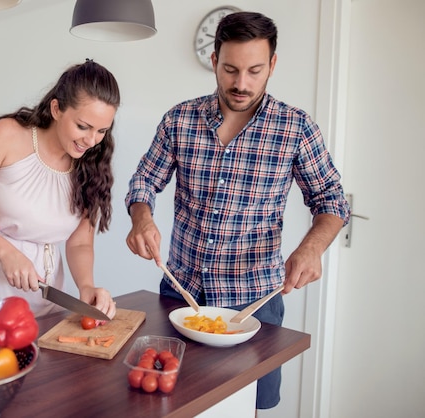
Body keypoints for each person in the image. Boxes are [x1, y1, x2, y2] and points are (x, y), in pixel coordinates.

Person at [124, 12, 350, 411]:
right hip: (180, 298)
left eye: (254, 70)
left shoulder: (295, 128)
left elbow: (332, 198)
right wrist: (142, 217)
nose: (241, 83)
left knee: (247, 407)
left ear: (272, 65)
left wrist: (313, 247)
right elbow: (144, 180)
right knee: (169, 404)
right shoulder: (180, 119)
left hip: (254, 305)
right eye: (230, 69)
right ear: (214, 61)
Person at [0, 60, 119, 320]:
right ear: (57, 108)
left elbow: (80, 242)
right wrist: (7, 252)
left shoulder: (92, 163)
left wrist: (86, 286)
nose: (91, 141)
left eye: (102, 130)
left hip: (41, 300)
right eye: (83, 126)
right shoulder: (8, 135)